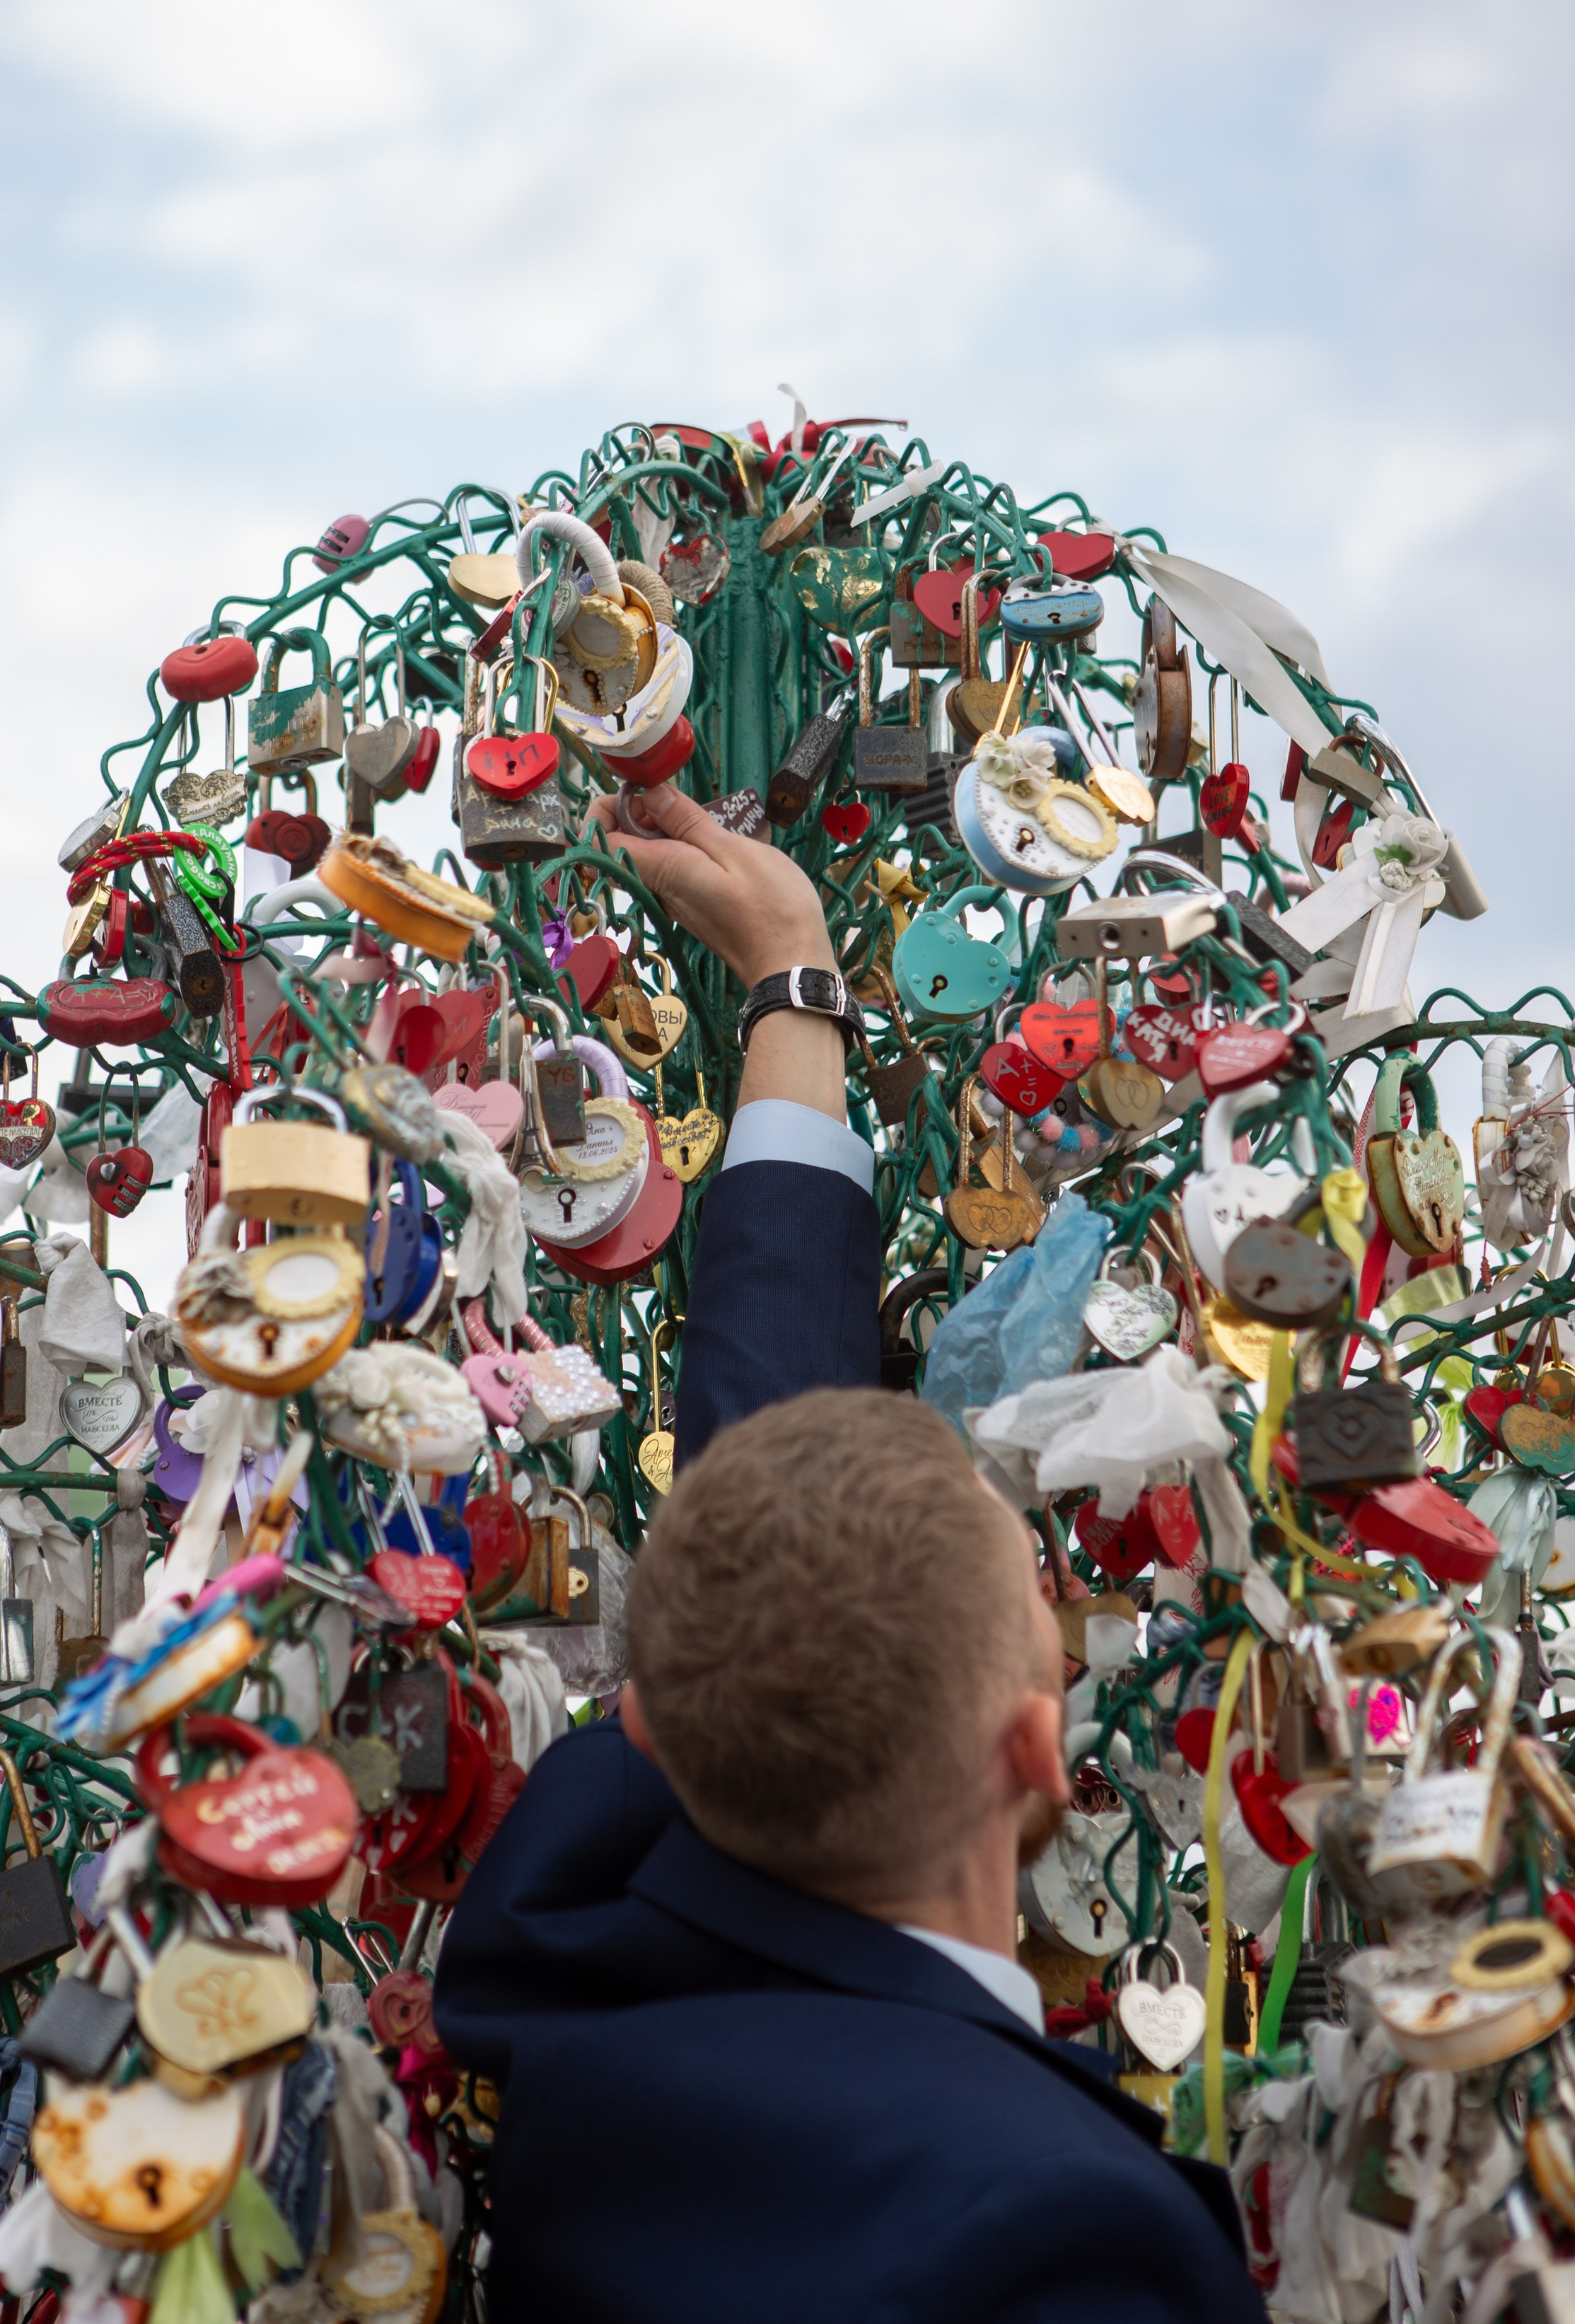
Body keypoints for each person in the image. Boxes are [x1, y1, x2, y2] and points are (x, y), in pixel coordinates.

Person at [436, 786, 1265, 2324]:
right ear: (1036, 1745)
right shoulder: (1066, 2239)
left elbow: (762, 1506)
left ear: (655, 1730)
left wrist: (794, 987)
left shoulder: (572, 2048)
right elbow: (748, 1529)